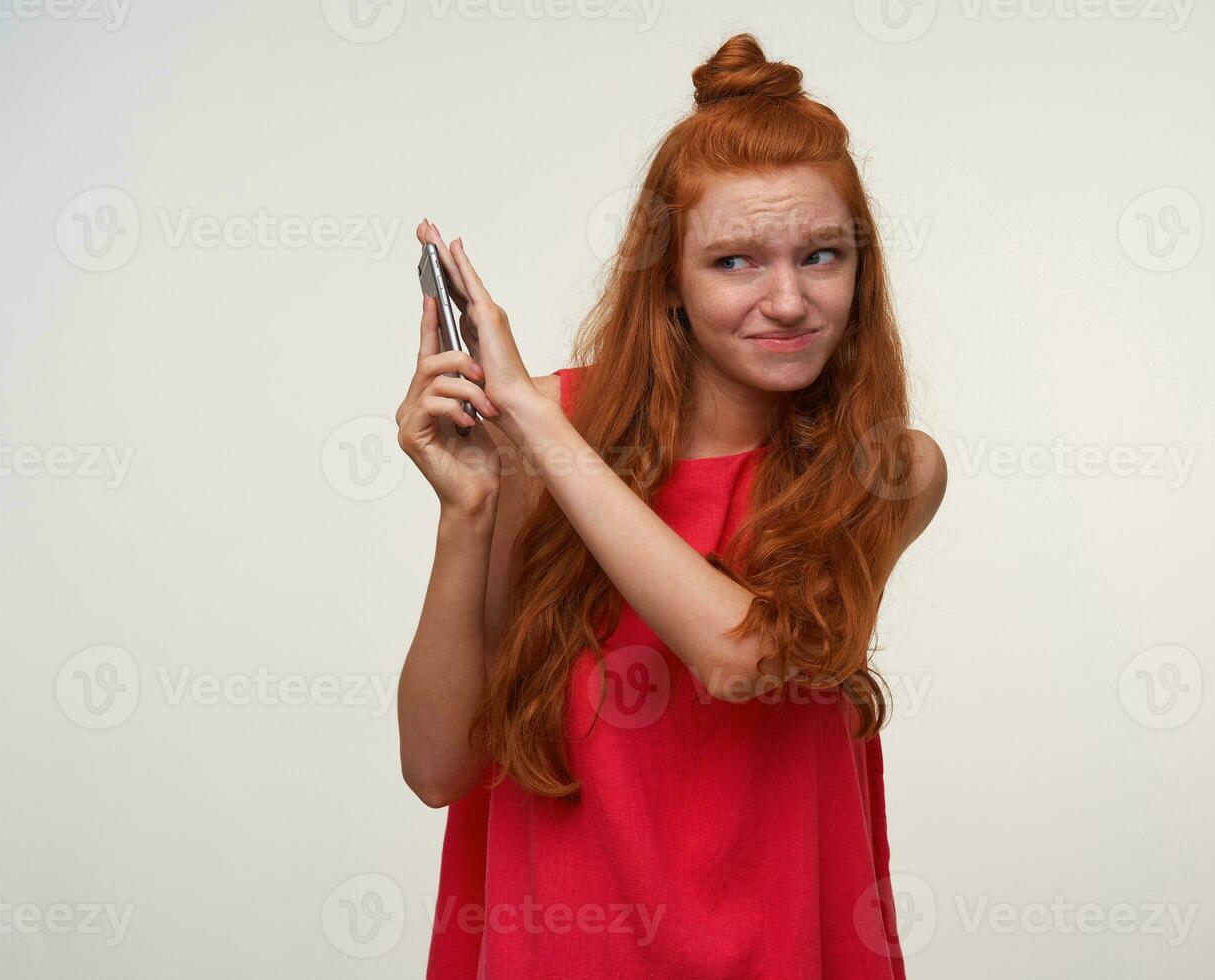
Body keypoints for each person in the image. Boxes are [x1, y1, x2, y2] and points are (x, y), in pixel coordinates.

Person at [395, 32, 947, 979]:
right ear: (672, 286)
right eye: (735, 262)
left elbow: (740, 658)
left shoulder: (887, 469)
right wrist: (471, 511)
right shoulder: (550, 435)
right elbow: (437, 767)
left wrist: (537, 422)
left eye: (821, 255)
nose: (787, 300)